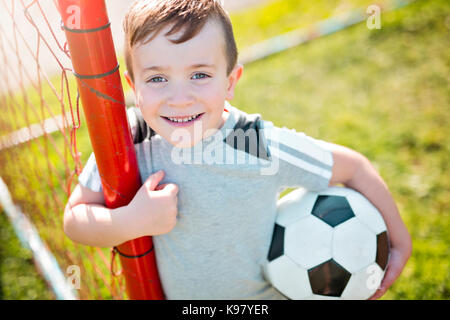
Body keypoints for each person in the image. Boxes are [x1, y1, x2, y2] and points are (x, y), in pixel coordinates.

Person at [63, 0, 411, 300]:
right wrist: (131, 220)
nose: (179, 98)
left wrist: (399, 243)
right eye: (157, 78)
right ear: (133, 85)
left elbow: (353, 167)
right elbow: (75, 220)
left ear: (230, 82)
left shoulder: (254, 143)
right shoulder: (129, 138)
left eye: (199, 75)